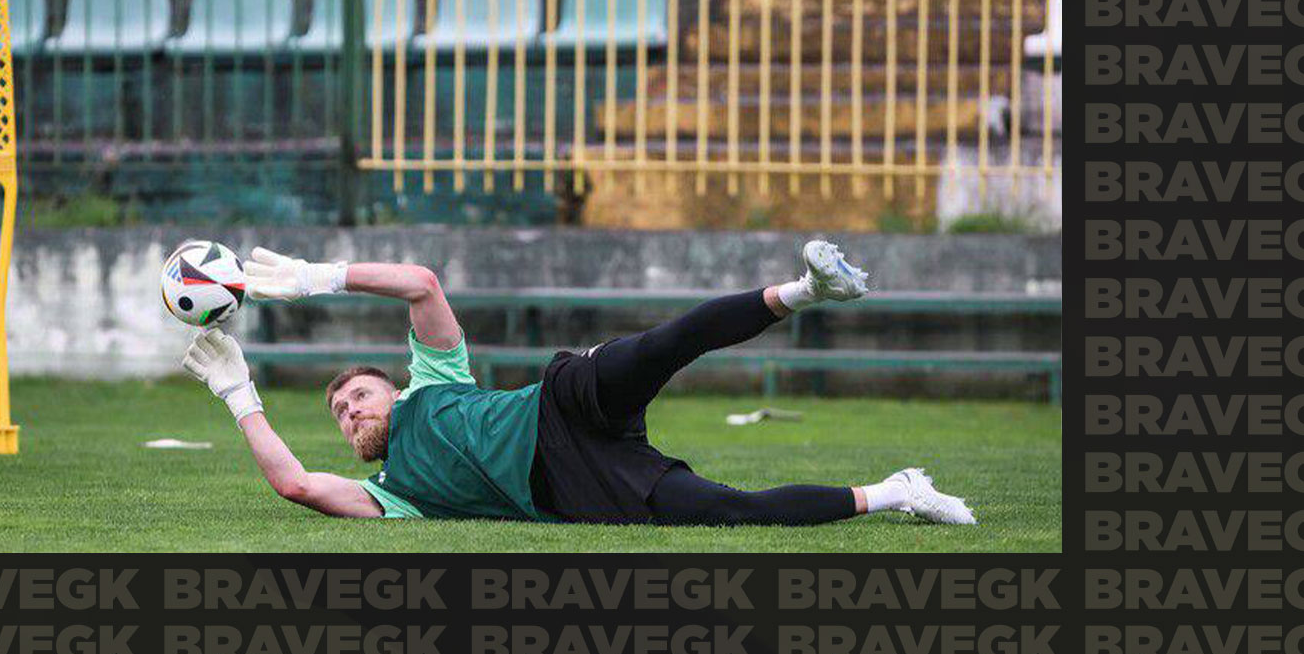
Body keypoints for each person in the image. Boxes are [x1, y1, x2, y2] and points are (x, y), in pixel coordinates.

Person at [180, 240, 976, 526]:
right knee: (729, 511)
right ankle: (900, 490)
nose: (350, 410)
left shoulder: (434, 379)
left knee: (665, 345)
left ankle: (807, 291)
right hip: (578, 485)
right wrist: (236, 391)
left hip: (561, 404)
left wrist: (322, 277)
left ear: (394, 389)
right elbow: (293, 485)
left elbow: (421, 283)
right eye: (339, 413)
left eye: (358, 395)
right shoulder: (394, 494)